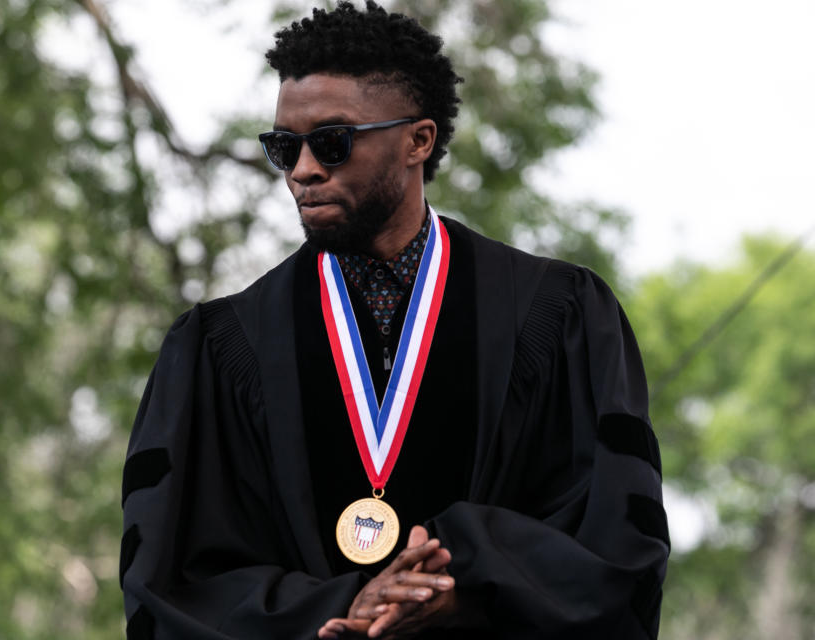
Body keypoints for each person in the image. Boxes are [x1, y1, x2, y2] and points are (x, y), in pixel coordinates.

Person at [119, 2, 669, 638]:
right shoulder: (220, 347)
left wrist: (458, 580)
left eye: (332, 141)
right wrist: (336, 607)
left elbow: (610, 548)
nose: (302, 170)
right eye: (282, 146)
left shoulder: (558, 313)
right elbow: (175, 582)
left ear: (419, 140)